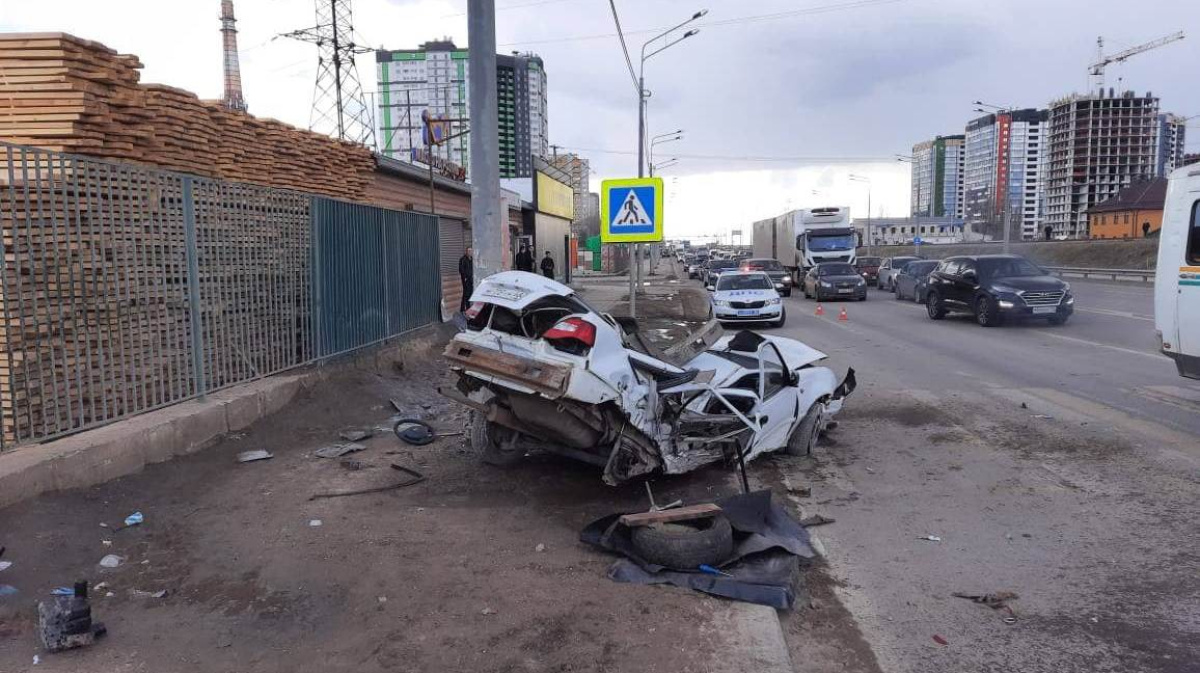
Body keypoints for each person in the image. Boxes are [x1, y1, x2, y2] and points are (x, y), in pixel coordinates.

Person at [458, 247, 473, 313]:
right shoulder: (463, 259)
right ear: (466, 252)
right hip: (466, 279)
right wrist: (465, 277)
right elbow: (461, 270)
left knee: (468, 293)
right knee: (466, 293)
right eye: (468, 251)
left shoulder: (472, 259)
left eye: (471, 251)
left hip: (471, 279)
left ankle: (462, 308)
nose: (470, 252)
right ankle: (467, 308)